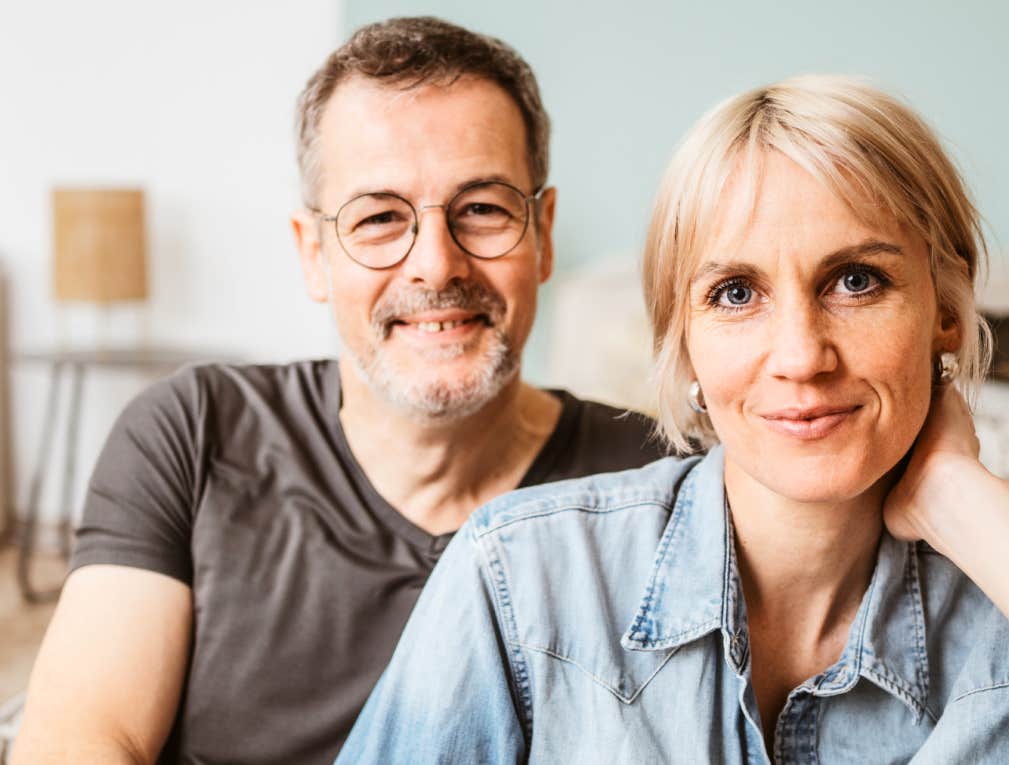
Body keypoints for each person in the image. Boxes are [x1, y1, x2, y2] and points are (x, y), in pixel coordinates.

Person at [336, 76, 1009, 763]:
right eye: (734, 292)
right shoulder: (523, 581)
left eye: (856, 280)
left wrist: (976, 510)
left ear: (948, 311)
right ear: (682, 344)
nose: (799, 356)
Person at [12, 17, 668, 765]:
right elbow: (80, 740)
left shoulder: (654, 485)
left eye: (482, 208)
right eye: (380, 218)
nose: (435, 265)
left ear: (542, 234)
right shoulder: (192, 432)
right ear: (313, 253)